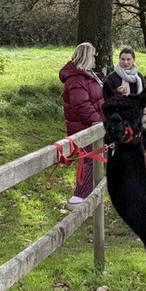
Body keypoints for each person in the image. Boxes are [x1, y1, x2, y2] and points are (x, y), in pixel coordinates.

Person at [60, 42, 105, 206]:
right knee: (92, 159)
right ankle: (78, 198)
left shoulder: (89, 75)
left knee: (99, 158)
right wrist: (99, 123)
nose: (95, 59)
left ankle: (91, 195)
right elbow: (81, 106)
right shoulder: (76, 79)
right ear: (86, 56)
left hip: (94, 125)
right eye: (92, 55)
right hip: (85, 127)